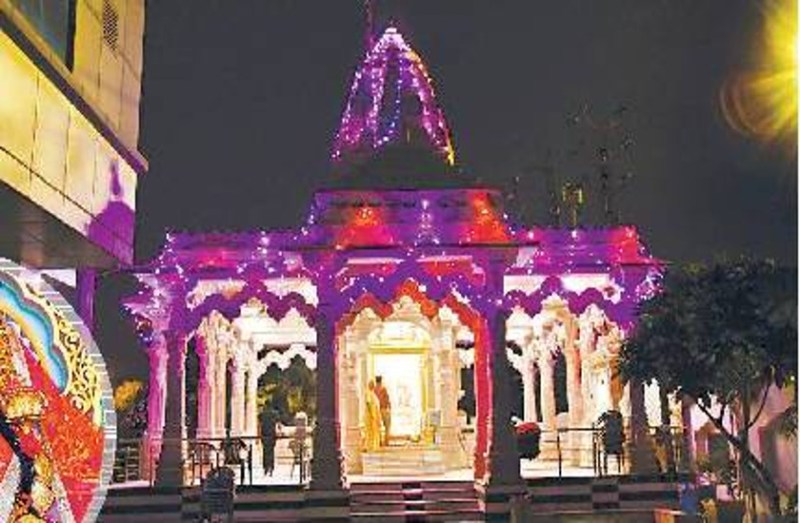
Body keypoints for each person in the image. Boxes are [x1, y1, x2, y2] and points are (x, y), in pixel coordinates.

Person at [363, 380, 382, 452]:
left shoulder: (373, 394)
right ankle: (368, 447)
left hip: (374, 415)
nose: (372, 386)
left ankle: (373, 446)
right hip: (370, 416)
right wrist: (371, 414)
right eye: (371, 384)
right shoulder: (368, 393)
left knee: (374, 431)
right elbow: (368, 403)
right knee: (369, 432)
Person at [259, 407, 278, 477]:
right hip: (272, 435)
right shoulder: (274, 414)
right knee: (271, 452)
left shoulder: (262, 414)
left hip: (265, 434)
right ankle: (271, 468)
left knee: (265, 452)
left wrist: (259, 435)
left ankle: (266, 468)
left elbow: (259, 425)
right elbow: (277, 424)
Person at [374, 375, 391, 446]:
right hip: (383, 408)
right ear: (381, 381)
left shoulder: (374, 390)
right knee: (387, 425)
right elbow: (387, 398)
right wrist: (389, 407)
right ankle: (386, 441)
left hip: (376, 409)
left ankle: (379, 441)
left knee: (378, 426)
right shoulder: (383, 389)